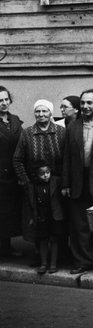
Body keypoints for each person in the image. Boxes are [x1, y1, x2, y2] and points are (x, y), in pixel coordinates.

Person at [62, 89, 93, 273]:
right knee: (79, 225)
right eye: (82, 103)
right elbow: (66, 156)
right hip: (78, 182)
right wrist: (66, 184)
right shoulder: (73, 126)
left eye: (89, 103)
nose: (85, 106)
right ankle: (82, 261)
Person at [13, 99, 66, 255]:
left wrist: (64, 181)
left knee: (57, 218)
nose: (41, 114)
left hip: (56, 186)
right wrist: (26, 181)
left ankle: (60, 255)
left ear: (50, 113)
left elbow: (67, 158)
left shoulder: (61, 132)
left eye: (44, 111)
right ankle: (39, 255)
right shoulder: (27, 133)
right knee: (37, 219)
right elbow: (17, 159)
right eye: (38, 111)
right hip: (35, 186)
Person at [29, 162, 65, 274]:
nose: (45, 175)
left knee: (54, 239)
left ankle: (53, 264)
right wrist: (33, 217)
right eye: (42, 174)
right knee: (43, 240)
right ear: (37, 175)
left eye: (47, 172)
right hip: (42, 216)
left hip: (54, 215)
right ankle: (43, 264)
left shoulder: (56, 181)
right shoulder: (34, 185)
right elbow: (32, 203)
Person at [0, 86, 24, 257]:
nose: (4, 103)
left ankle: (6, 247)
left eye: (6, 99)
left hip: (13, 174)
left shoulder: (15, 120)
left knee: (9, 212)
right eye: (0, 100)